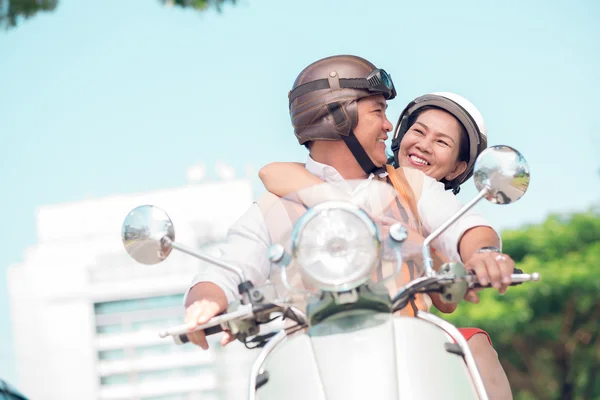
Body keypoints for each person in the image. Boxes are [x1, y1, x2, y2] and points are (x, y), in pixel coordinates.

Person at [184, 55, 514, 398]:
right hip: (309, 371)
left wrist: (484, 252)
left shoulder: (411, 186)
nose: (389, 126)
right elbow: (230, 265)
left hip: (409, 362)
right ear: (337, 116)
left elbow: (463, 225)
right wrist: (207, 299)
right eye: (378, 112)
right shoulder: (273, 207)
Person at [258, 90, 514, 398]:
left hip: (403, 340)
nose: (424, 144)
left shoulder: (427, 199)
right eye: (418, 132)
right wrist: (353, 209)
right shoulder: (361, 180)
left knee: (474, 343)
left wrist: (483, 254)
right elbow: (273, 172)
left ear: (458, 167)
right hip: (327, 338)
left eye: (442, 142)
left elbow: (467, 230)